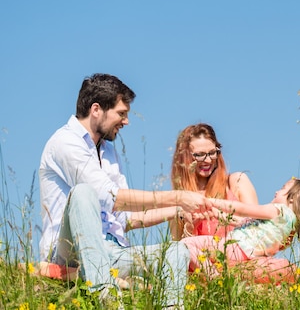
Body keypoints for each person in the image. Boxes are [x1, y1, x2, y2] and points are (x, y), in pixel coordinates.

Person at [39, 73, 210, 309]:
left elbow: (127, 217)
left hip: (114, 251)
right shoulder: (65, 142)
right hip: (71, 250)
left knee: (177, 252)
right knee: (83, 193)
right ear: (96, 109)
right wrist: (177, 195)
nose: (126, 121)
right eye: (121, 113)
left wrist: (175, 210)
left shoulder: (109, 151)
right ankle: (106, 298)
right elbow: (110, 198)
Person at [180, 178, 300, 275]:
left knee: (185, 246)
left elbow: (242, 209)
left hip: (235, 248)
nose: (276, 191)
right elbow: (240, 221)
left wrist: (211, 201)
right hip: (247, 255)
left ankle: (212, 275)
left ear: (293, 198)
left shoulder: (278, 210)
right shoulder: (289, 224)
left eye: (283, 188)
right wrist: (213, 213)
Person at [168, 123, 258, 241]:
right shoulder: (178, 200)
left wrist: (220, 216)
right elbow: (179, 250)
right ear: (184, 157)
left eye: (212, 153)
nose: (208, 160)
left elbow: (257, 230)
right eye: (200, 155)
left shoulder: (237, 182)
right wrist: (191, 229)